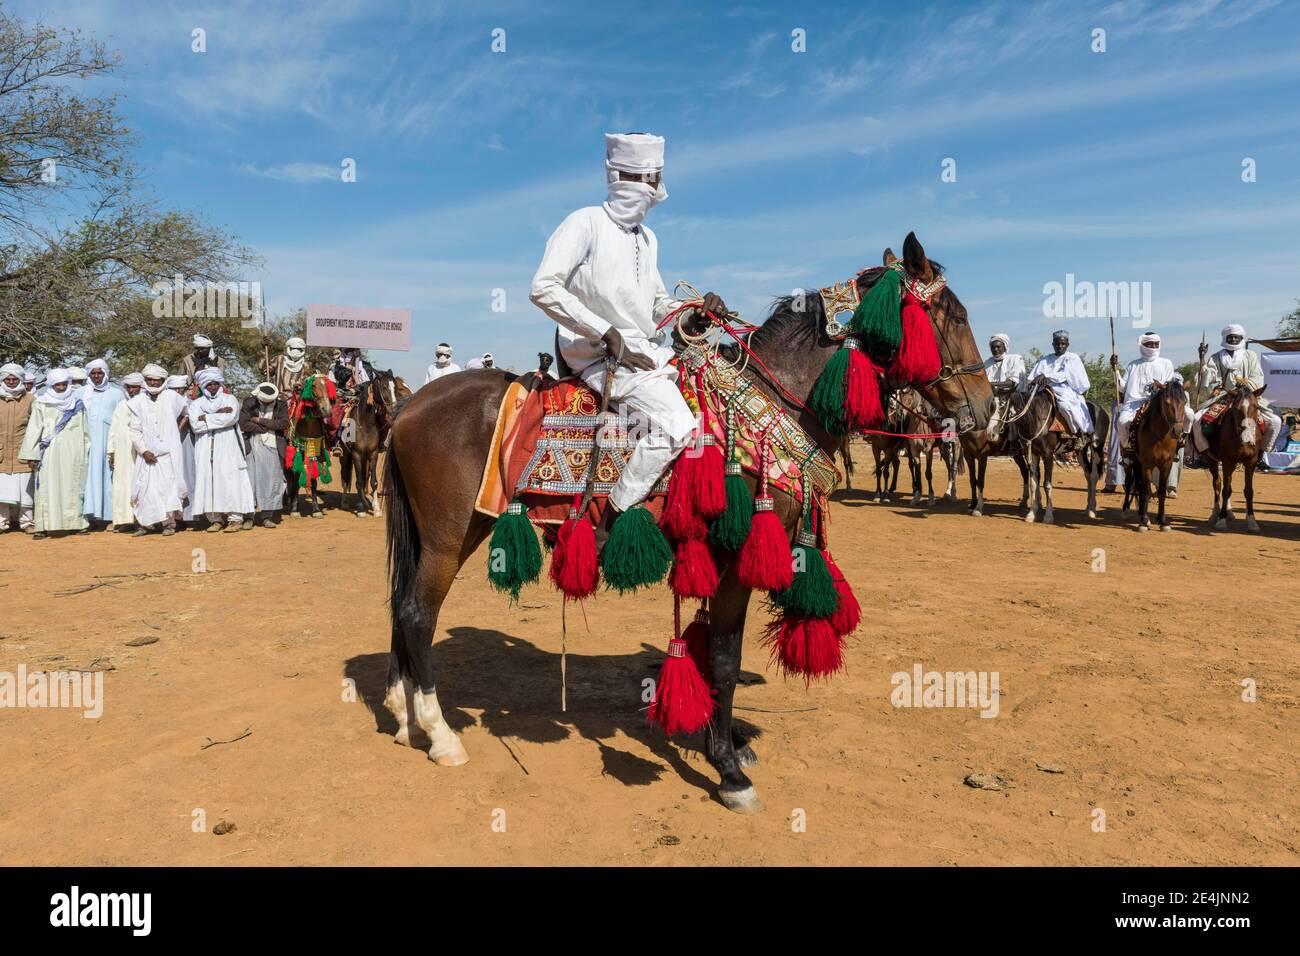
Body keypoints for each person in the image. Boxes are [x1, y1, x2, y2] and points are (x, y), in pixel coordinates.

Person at [530, 131, 728, 548]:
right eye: (643, 179)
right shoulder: (584, 222)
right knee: (677, 426)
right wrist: (603, 331)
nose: (649, 191)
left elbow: (657, 305)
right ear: (622, 178)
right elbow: (543, 287)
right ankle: (611, 523)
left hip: (645, 351)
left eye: (652, 180)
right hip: (598, 355)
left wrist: (695, 311)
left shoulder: (647, 238)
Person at [18, 369, 91, 538]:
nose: (61, 387)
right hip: (49, 454)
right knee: (46, 489)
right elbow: (34, 430)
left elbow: (85, 431)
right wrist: (31, 455)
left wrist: (86, 450)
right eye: (57, 384)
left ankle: (76, 524)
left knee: (73, 487)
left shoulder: (77, 404)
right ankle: (43, 527)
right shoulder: (41, 403)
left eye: (64, 384)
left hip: (73, 453)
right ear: (51, 385)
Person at [1190, 324, 1282, 454]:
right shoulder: (1216, 357)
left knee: (1275, 422)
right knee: (1196, 419)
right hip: (1224, 396)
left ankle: (1263, 452)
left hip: (1247, 396)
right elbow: (1208, 375)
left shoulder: (1250, 355)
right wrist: (1202, 359)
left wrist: (1244, 386)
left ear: (1241, 338)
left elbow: (1257, 377)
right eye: (1230, 337)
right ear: (1225, 338)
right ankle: (1204, 451)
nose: (1233, 339)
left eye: (1236, 337)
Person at [188, 367, 254, 532]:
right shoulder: (196, 404)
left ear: (220, 384)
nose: (212, 387)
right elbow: (195, 425)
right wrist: (218, 414)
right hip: (205, 448)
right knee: (209, 481)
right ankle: (215, 519)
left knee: (230, 480)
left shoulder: (230, 399)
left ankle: (234, 519)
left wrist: (207, 417)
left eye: (215, 384)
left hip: (228, 447)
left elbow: (231, 419)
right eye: (208, 384)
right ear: (203, 386)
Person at [127, 364, 188, 536]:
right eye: (150, 380)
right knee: (146, 488)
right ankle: (146, 524)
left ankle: (169, 524)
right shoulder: (137, 401)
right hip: (147, 454)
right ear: (145, 380)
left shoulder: (173, 397)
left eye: (157, 380)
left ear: (163, 380)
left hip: (168, 453)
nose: (153, 382)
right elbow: (134, 429)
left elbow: (186, 413)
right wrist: (143, 450)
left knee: (168, 487)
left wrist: (175, 431)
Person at [78, 358, 125, 528]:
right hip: (86, 443)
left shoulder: (117, 394)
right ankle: (89, 516)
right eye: (93, 373)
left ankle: (110, 517)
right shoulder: (80, 393)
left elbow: (122, 420)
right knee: (87, 478)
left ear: (105, 374)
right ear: (88, 374)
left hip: (108, 444)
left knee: (108, 478)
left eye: (100, 373)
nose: (97, 376)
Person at [239, 382, 289, 528]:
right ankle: (249, 516)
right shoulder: (249, 402)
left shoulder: (281, 405)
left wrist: (260, 420)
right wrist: (262, 428)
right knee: (250, 481)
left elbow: (283, 423)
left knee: (271, 480)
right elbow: (243, 423)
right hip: (252, 446)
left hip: (273, 446)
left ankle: (267, 516)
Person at [1028, 330, 1093, 435]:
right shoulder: (1045, 359)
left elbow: (1069, 375)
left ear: (1067, 344)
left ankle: (1076, 432)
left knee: (1065, 406)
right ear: (1053, 344)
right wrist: (1036, 379)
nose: (1060, 346)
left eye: (1063, 344)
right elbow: (1033, 376)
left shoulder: (1072, 358)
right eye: (1057, 344)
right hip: (1044, 389)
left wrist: (1049, 377)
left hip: (1065, 389)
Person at [0, 362, 35, 533]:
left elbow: (36, 425)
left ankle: (27, 523)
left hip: (23, 452)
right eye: (8, 378)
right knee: (2, 490)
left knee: (25, 491)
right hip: (2, 453)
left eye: (15, 378)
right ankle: (2, 523)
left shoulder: (30, 399)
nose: (12, 381)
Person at [107, 372, 144, 531]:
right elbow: (113, 430)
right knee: (123, 485)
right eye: (129, 387)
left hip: (140, 452)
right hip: (123, 453)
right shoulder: (121, 405)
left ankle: (141, 520)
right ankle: (126, 520)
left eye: (135, 387)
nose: (132, 390)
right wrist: (112, 451)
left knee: (140, 484)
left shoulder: (145, 404)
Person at [982, 333, 1026, 439]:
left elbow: (1013, 383)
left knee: (1014, 415)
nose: (995, 349)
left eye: (998, 346)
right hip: (990, 397)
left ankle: (1015, 443)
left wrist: (991, 385)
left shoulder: (1015, 359)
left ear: (1005, 347)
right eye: (993, 347)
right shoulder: (987, 363)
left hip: (1010, 395)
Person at [167, 374, 197, 524]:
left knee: (188, 476)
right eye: (173, 389)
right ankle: (175, 515)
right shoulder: (165, 403)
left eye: (179, 389)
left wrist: (177, 430)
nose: (176, 392)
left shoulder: (191, 403)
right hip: (168, 446)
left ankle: (189, 515)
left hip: (186, 444)